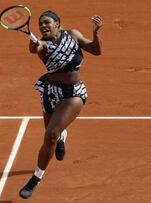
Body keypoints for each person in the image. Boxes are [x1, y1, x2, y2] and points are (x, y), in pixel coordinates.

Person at [19, 10, 103, 199]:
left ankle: (35, 178)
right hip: (50, 92)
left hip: (73, 93)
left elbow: (96, 51)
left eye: (47, 22)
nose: (43, 26)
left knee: (50, 135)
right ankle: (62, 136)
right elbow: (36, 48)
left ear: (58, 24)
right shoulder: (42, 45)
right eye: (40, 24)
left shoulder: (73, 35)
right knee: (53, 134)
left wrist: (96, 32)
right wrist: (34, 45)